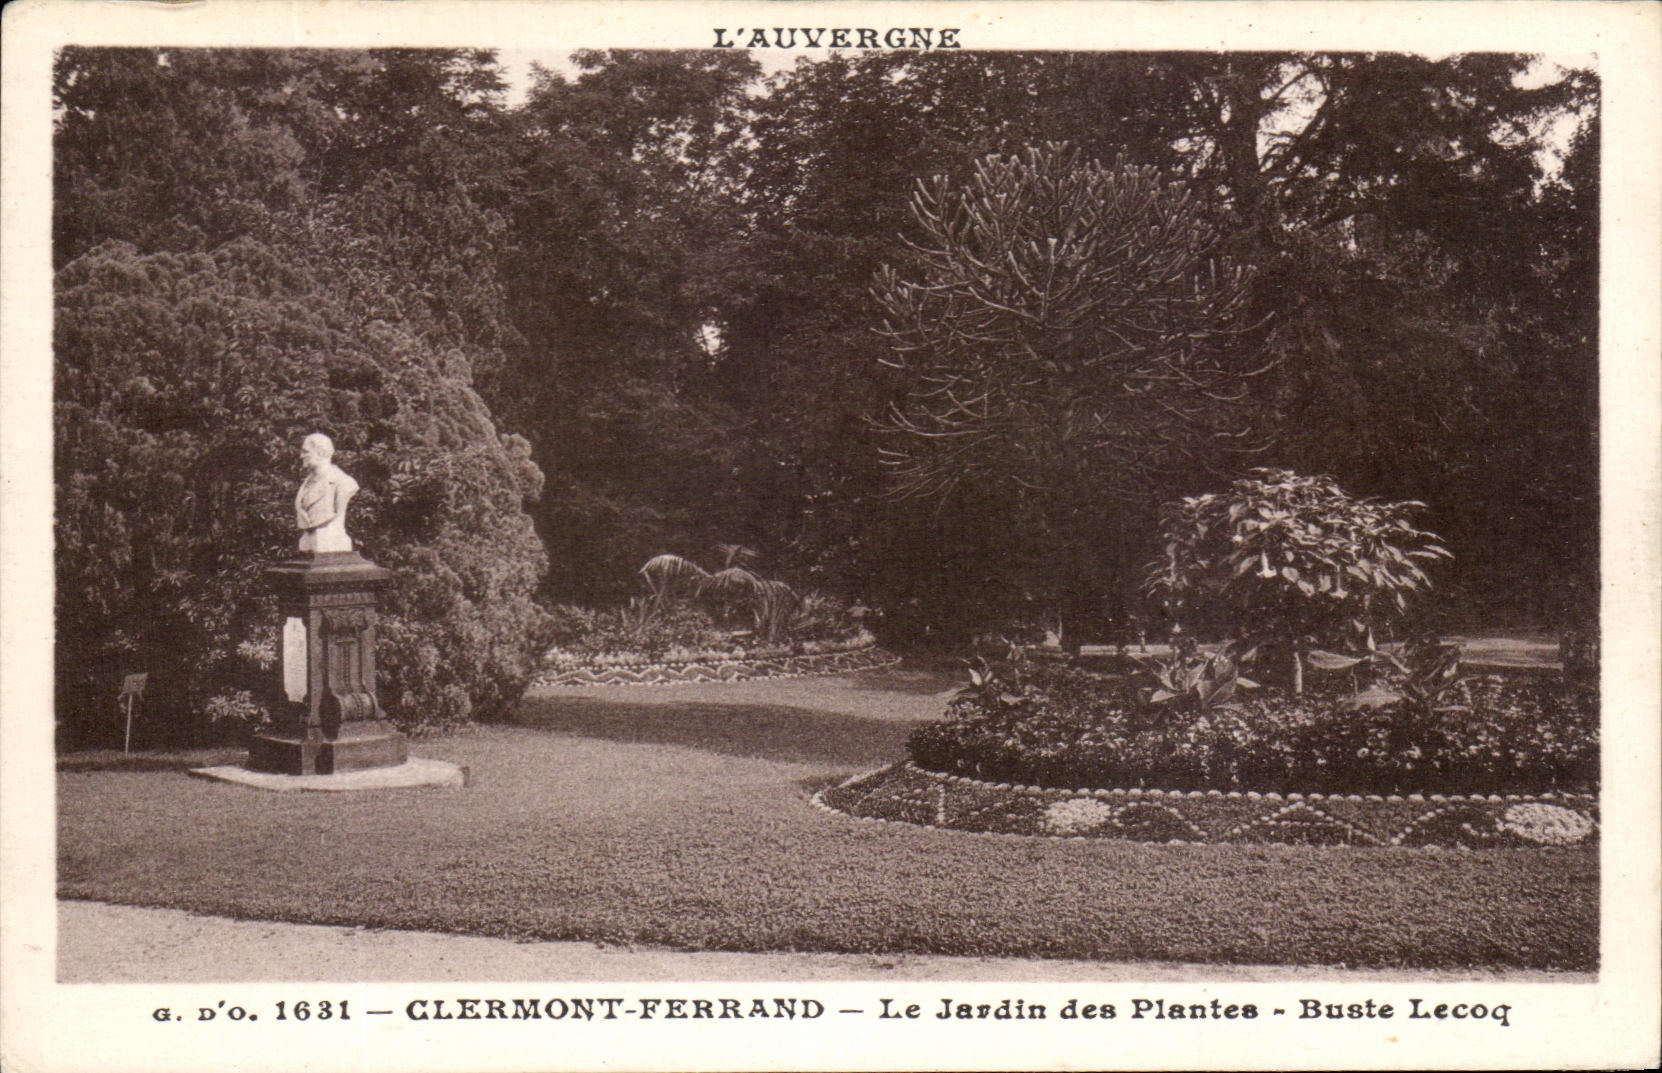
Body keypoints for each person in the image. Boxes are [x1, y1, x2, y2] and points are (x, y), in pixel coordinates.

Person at [294, 433, 359, 553]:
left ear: (320, 453)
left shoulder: (343, 482)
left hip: (329, 536)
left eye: (305, 452)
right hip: (310, 538)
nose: (301, 456)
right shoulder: (305, 485)